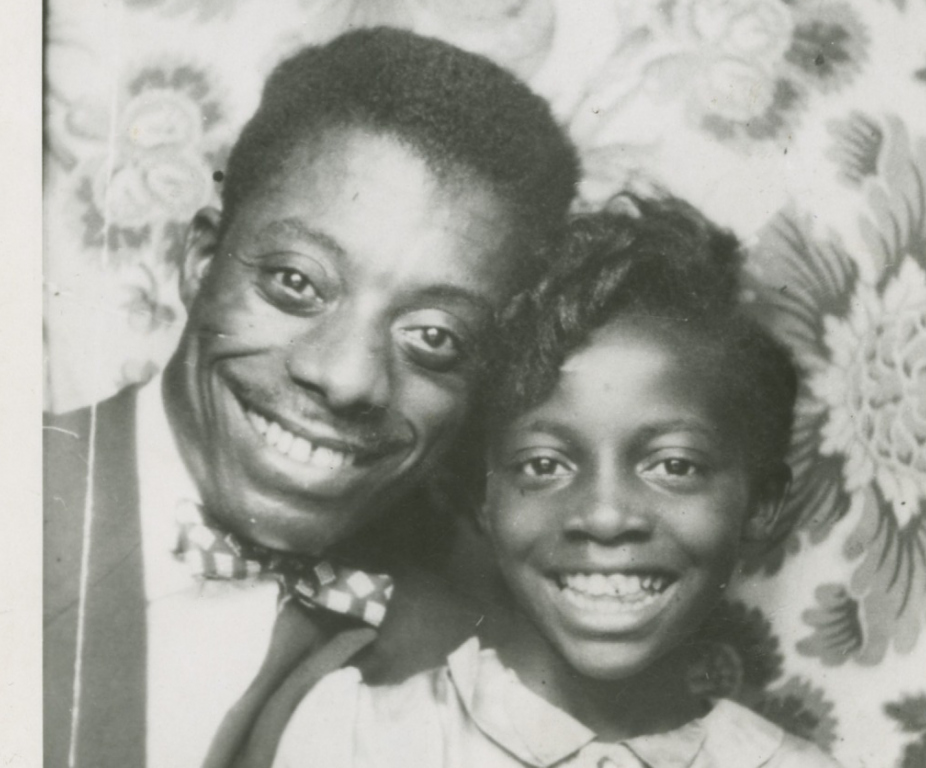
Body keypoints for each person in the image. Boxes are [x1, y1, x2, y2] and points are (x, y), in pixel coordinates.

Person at [43, 27, 579, 768]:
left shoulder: (480, 666)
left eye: (435, 337)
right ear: (201, 261)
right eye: (296, 283)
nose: (348, 378)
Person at [272, 196, 841, 768]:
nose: (606, 515)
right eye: (543, 466)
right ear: (480, 497)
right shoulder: (360, 741)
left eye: (674, 466)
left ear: (761, 503)